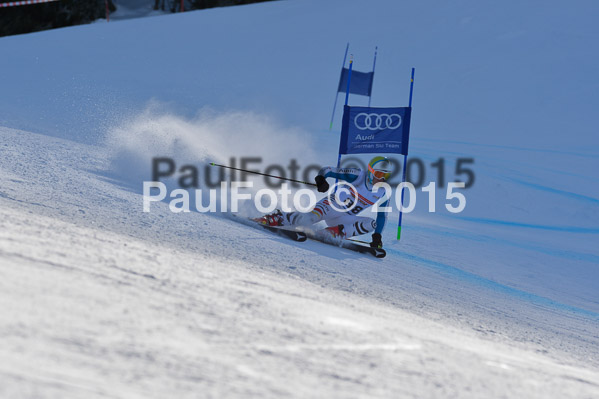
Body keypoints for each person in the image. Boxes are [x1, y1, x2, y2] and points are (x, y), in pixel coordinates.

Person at [255, 156, 392, 248]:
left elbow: (382, 215)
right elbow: (328, 170)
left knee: (371, 224)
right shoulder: (357, 175)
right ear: (370, 171)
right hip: (332, 205)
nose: (381, 179)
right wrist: (321, 179)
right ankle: (275, 218)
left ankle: (333, 233)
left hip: (345, 218)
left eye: (386, 176)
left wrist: (377, 236)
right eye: (379, 174)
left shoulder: (383, 191)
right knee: (308, 219)